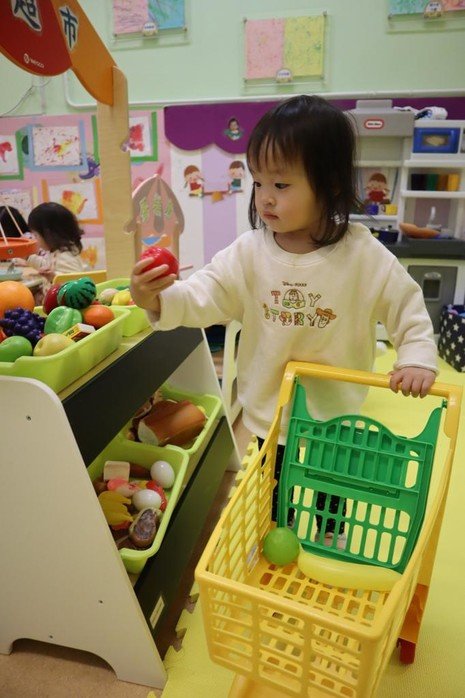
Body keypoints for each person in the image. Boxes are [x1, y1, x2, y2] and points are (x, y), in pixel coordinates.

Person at [130, 95, 437, 548]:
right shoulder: (249, 252)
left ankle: (330, 533)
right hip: (270, 406)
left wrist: (416, 357)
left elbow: (407, 307)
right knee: (275, 481)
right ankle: (277, 529)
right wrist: (155, 298)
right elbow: (204, 294)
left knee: (332, 478)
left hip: (335, 408)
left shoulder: (362, 254)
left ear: (329, 184)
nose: (265, 198)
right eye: (258, 183)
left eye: (280, 184)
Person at [16, 202, 85, 288]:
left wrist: (54, 277)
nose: (35, 239)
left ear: (49, 234)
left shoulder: (65, 256)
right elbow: (46, 266)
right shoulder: (58, 251)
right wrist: (28, 257)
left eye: (36, 235)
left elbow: (76, 286)